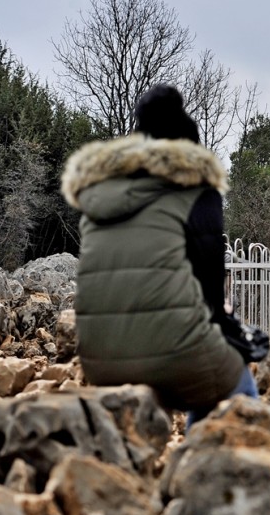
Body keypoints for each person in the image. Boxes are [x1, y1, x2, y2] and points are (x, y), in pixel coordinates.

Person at [60, 84, 258, 427]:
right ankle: (204, 463)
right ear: (189, 150)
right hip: (173, 356)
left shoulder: (96, 198)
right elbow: (209, 286)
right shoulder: (197, 191)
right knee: (236, 384)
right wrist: (232, 331)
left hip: (99, 360)